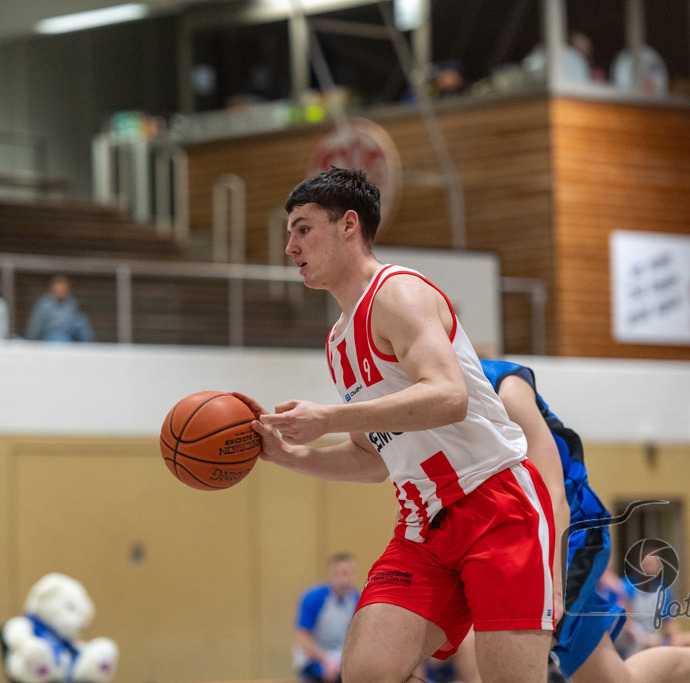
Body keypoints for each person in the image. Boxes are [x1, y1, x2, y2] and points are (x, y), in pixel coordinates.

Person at [235, 168, 556, 683]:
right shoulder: (338, 344)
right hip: (422, 521)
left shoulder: (397, 293)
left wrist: (326, 417)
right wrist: (290, 455)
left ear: (348, 226)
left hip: (495, 502)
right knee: (367, 672)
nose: (289, 247)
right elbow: (371, 460)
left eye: (302, 229)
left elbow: (448, 397)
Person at [478, 358, 690, 683]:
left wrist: (552, 586)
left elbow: (554, 494)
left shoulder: (502, 384)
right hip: (516, 542)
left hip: (563, 534)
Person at [293, 552, 362, 682]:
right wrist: (326, 660)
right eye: (341, 574)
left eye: (350, 573)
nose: (345, 580)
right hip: (314, 658)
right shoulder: (313, 598)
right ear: (331, 575)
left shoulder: (358, 600)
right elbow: (302, 638)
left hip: (342, 658)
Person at [25, 275, 94, 343]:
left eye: (63, 288)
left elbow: (82, 328)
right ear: (52, 289)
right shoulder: (44, 305)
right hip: (47, 341)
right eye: (58, 288)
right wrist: (32, 344)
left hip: (68, 341)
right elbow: (35, 327)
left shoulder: (72, 305)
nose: (60, 291)